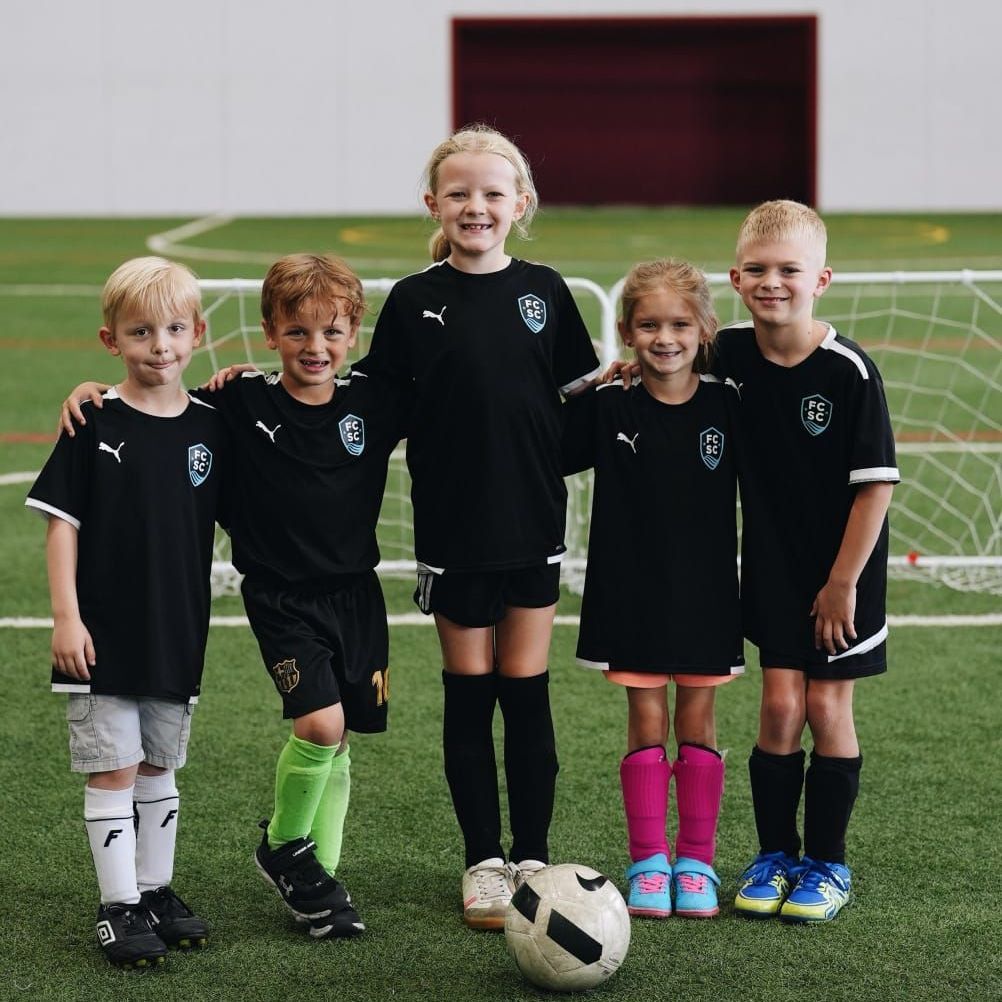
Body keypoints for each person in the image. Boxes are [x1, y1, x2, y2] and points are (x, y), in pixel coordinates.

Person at [60, 253, 405, 940]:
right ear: (269, 332)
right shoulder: (239, 401)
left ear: (354, 335)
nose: (316, 348)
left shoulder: (374, 400)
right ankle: (280, 846)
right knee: (320, 727)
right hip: (281, 598)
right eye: (298, 333)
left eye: (332, 333)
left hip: (357, 596)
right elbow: (154, 402)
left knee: (341, 746)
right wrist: (91, 391)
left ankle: (319, 878)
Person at [353, 125, 601, 929]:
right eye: (459, 193)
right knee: (470, 697)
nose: (476, 206)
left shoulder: (547, 291)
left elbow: (581, 408)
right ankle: (484, 862)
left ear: (520, 204)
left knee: (526, 694)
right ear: (434, 203)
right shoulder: (414, 300)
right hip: (454, 532)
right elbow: (366, 407)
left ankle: (533, 853)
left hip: (534, 524)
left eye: (493, 193)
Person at [28, 257, 225, 967]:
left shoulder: (212, 423)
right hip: (102, 633)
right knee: (113, 768)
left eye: (175, 329)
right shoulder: (93, 419)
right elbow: (61, 525)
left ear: (199, 333)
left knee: (159, 769)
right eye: (141, 332)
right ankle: (117, 908)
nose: (161, 345)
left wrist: (234, 383)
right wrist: (65, 617)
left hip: (176, 631)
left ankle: (153, 891)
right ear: (111, 340)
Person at [718, 200, 899, 923]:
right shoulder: (725, 354)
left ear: (820, 278)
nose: (772, 282)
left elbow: (877, 488)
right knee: (779, 704)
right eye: (757, 269)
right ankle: (773, 856)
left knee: (826, 706)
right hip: (772, 565)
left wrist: (841, 583)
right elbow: (664, 368)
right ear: (735, 277)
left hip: (842, 574)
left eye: (788, 270)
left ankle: (827, 863)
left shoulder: (849, 370)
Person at [563, 260, 743, 920]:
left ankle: (695, 860)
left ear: (703, 329)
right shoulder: (612, 403)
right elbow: (546, 445)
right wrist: (590, 386)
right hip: (630, 594)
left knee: (697, 720)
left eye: (679, 324)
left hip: (707, 597)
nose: (664, 337)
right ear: (625, 331)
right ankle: (648, 860)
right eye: (649, 325)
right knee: (644, 721)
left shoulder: (729, 402)